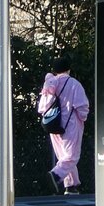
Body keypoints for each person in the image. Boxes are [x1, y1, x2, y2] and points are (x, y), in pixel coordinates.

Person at [39, 55, 90, 195]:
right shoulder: (74, 84)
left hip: (53, 124)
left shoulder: (50, 83)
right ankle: (55, 175)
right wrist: (83, 118)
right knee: (72, 156)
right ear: (68, 69)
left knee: (63, 156)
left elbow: (42, 107)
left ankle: (71, 186)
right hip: (71, 124)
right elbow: (82, 106)